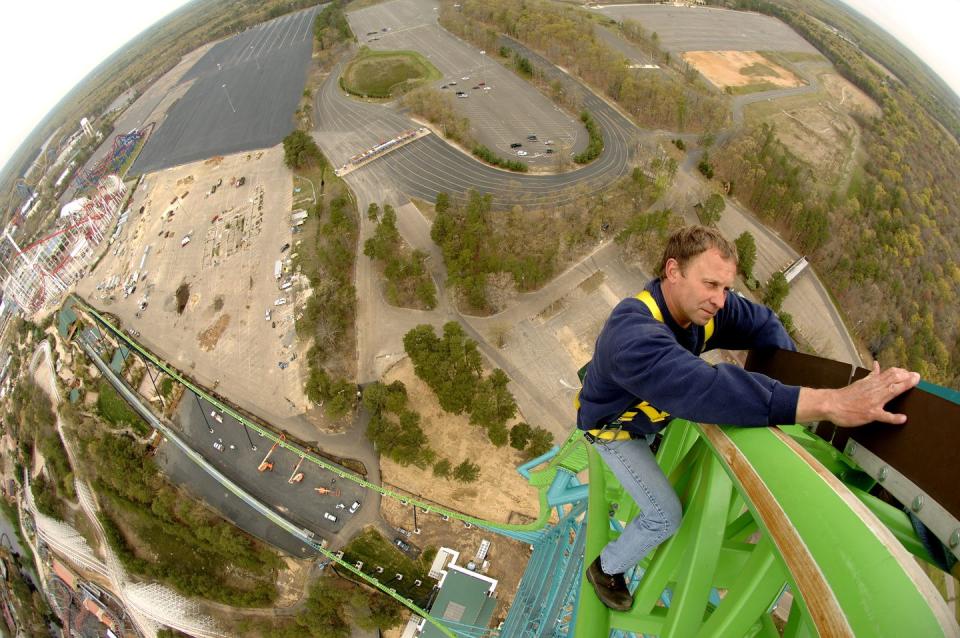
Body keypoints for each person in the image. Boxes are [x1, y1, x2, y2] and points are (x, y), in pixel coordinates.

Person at [577, 225, 920, 611]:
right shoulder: (633, 335)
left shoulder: (699, 308)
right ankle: (607, 568)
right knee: (664, 515)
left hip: (646, 415)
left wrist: (800, 380)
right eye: (711, 284)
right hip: (616, 432)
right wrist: (826, 403)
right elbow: (709, 388)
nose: (720, 301)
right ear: (673, 271)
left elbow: (763, 324)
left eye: (725, 287)